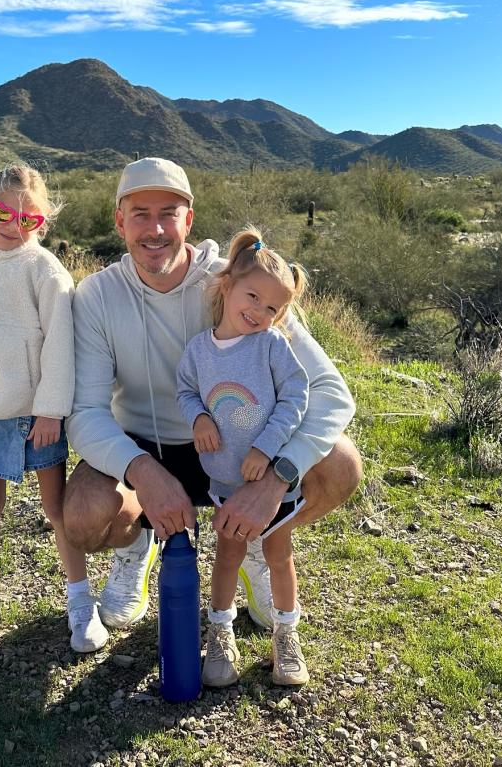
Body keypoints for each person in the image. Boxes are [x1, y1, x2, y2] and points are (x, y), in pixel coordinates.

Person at [63, 157, 360, 670]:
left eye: (168, 213)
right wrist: (144, 473)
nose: (154, 229)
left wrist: (271, 483)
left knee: (342, 466)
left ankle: (254, 538)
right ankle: (138, 543)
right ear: (119, 221)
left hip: (243, 450)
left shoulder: (239, 283)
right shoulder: (96, 297)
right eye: (139, 214)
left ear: (189, 219)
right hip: (144, 447)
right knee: (84, 517)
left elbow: (331, 394)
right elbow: (86, 413)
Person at [0, 164, 107, 655]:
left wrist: (51, 410)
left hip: (36, 415)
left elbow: (60, 346)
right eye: (4, 214)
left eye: (28, 220)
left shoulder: (45, 271)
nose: (13, 226)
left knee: (56, 511)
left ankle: (80, 603)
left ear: (41, 224)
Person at [177, 227, 311, 686]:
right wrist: (198, 419)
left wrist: (265, 450)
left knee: (278, 554)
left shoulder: (272, 346)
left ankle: (286, 635)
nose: (259, 312)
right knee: (227, 555)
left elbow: (296, 396)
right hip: (224, 483)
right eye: (252, 297)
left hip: (270, 482)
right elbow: (186, 391)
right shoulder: (199, 350)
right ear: (228, 283)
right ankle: (220, 633)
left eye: (272, 307)